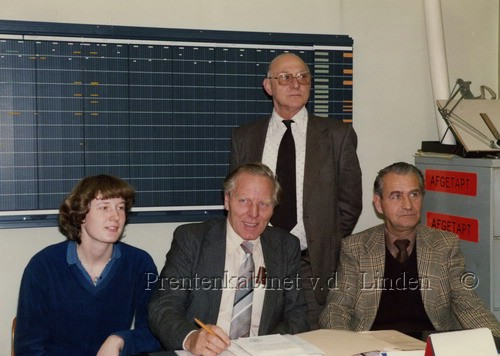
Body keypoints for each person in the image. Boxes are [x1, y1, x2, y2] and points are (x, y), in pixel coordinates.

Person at [230, 52, 362, 329]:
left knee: (311, 340)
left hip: (311, 264)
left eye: (303, 77)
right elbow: (237, 199)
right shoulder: (245, 137)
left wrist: (326, 242)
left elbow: (350, 203)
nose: (295, 84)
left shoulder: (337, 135)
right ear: (269, 87)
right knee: (258, 336)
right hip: (257, 261)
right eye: (285, 78)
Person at [319, 162, 500, 338]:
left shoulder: (444, 245)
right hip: (373, 347)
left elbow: (468, 304)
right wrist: (348, 347)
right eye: (396, 196)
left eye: (414, 194)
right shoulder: (356, 248)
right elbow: (336, 310)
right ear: (379, 203)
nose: (408, 205)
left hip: (428, 346)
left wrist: (495, 339)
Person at [148, 162, 309, 354]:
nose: (253, 213)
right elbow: (163, 307)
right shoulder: (192, 239)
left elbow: (297, 314)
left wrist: (268, 345)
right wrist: (191, 338)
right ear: (227, 200)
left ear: (273, 207)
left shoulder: (286, 246)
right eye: (244, 201)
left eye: (263, 204)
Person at [15, 174, 161, 355]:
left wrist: (120, 340)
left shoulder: (140, 264)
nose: (115, 216)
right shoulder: (43, 266)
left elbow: (156, 332)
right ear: (81, 215)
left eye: (120, 207)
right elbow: (28, 348)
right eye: (104, 207)